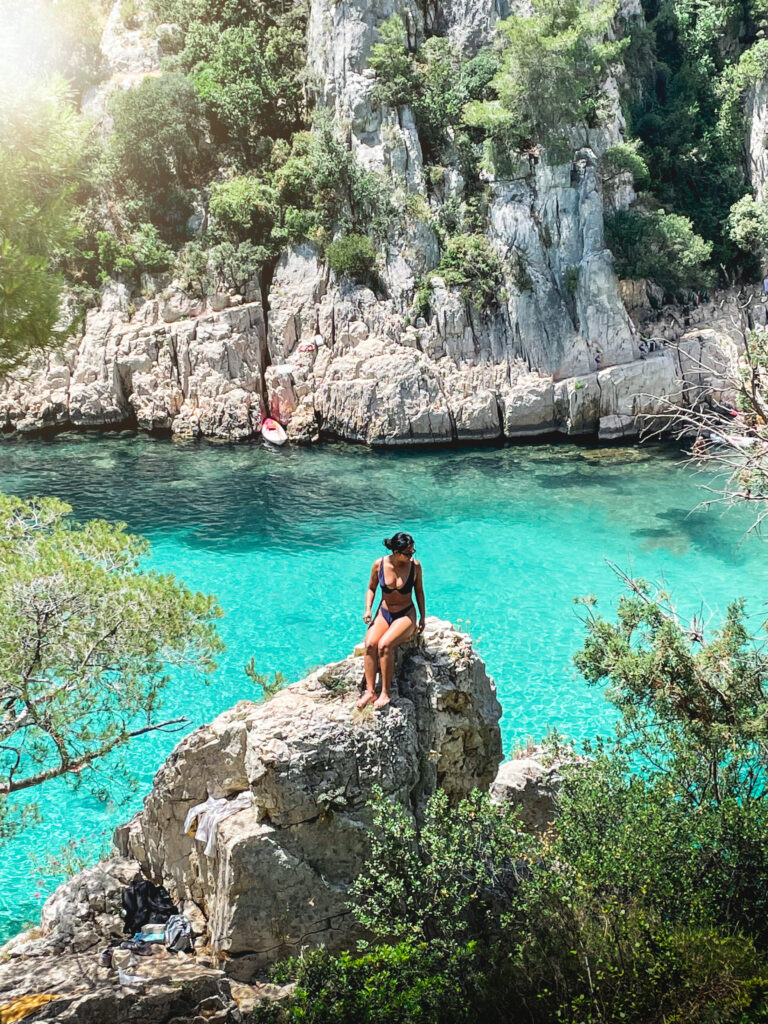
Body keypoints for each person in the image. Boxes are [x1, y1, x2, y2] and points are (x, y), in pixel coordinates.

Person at [357, 531, 425, 710]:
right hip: (384, 612)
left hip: (405, 614)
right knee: (370, 643)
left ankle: (385, 693)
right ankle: (370, 691)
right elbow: (371, 588)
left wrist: (422, 617)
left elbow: (419, 591)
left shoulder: (415, 567)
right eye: (408, 553)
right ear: (396, 552)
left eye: (412, 552)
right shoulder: (379, 564)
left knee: (385, 645)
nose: (411, 556)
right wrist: (368, 609)